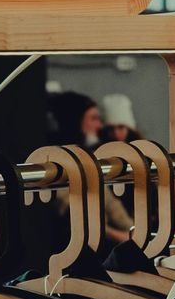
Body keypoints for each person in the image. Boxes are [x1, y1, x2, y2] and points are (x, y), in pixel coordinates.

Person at [44, 91, 134, 243]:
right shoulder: (56, 158)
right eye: (93, 118)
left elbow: (109, 201)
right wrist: (124, 237)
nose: (99, 125)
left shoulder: (85, 153)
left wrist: (134, 230)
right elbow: (74, 212)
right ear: (76, 121)